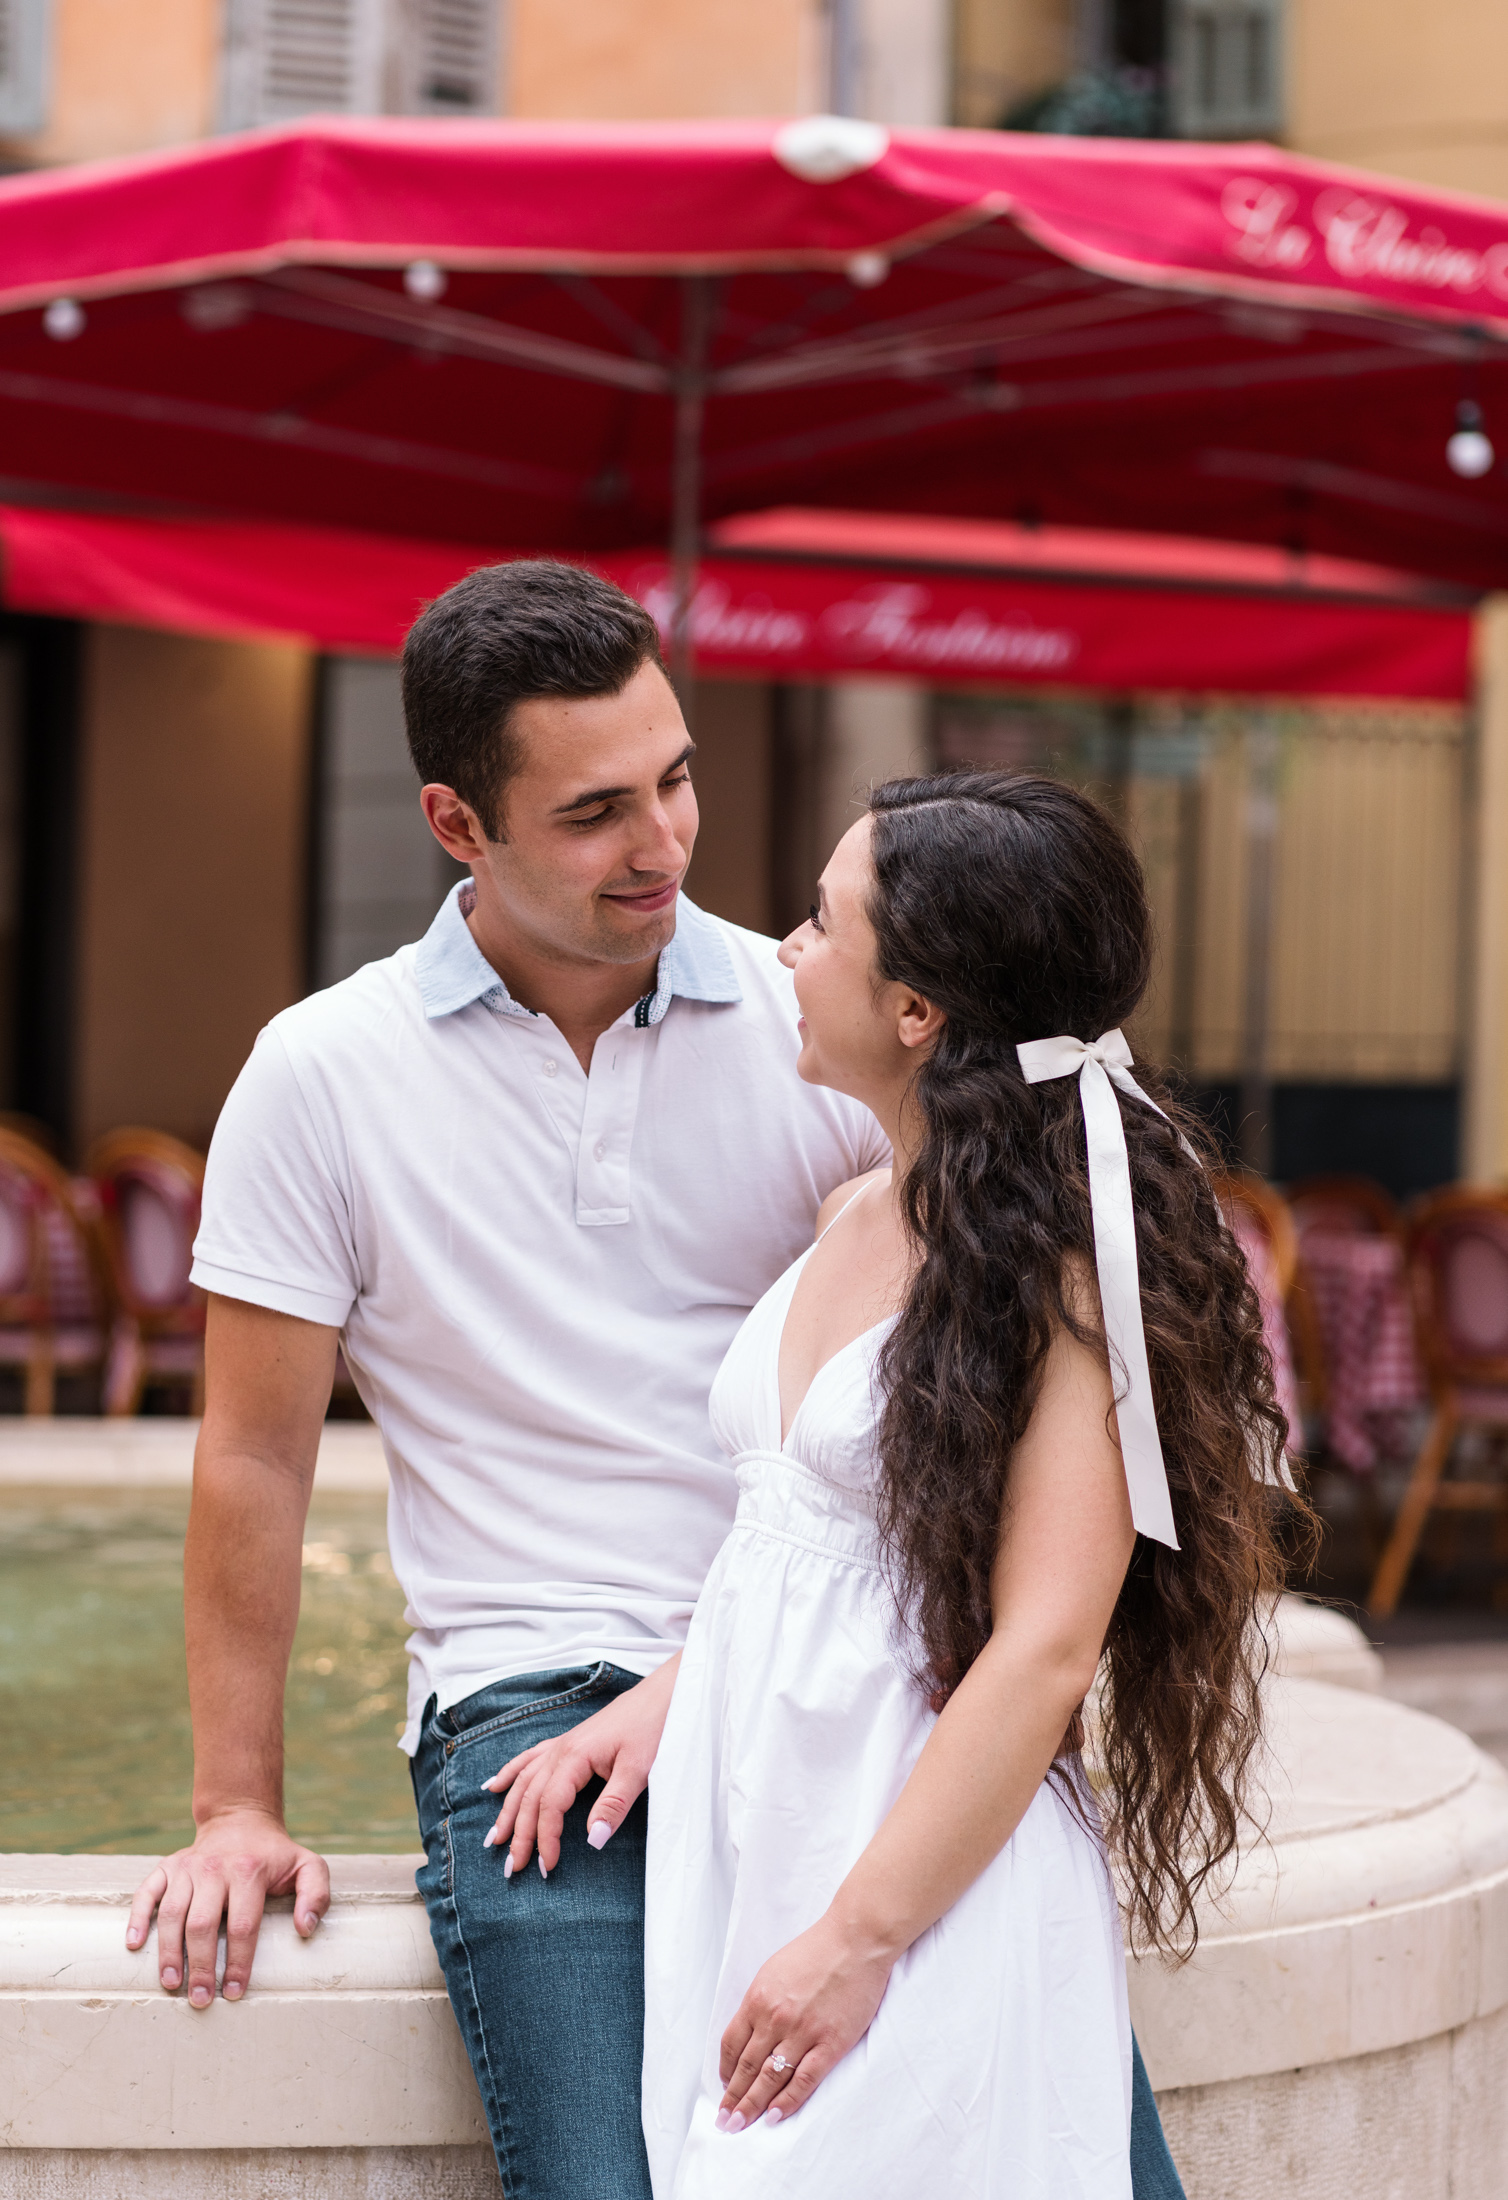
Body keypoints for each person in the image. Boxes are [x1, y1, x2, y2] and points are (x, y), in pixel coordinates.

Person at [123, 564, 1191, 2200]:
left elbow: (1009, 1334)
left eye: (678, 777)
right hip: (529, 1701)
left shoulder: (822, 1028)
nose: (667, 843)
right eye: (596, 810)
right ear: (456, 823)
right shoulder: (320, 1076)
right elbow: (255, 1459)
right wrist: (231, 1805)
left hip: (854, 1682)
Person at [489, 770, 1290, 2195]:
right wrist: (663, 1705)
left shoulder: (1065, 1275)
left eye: (820, 921)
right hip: (763, 1830)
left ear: (917, 1010)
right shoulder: (851, 1208)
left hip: (917, 1877)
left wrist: (857, 1943)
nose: (785, 951)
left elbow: (1044, 1651)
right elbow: (814, 1542)